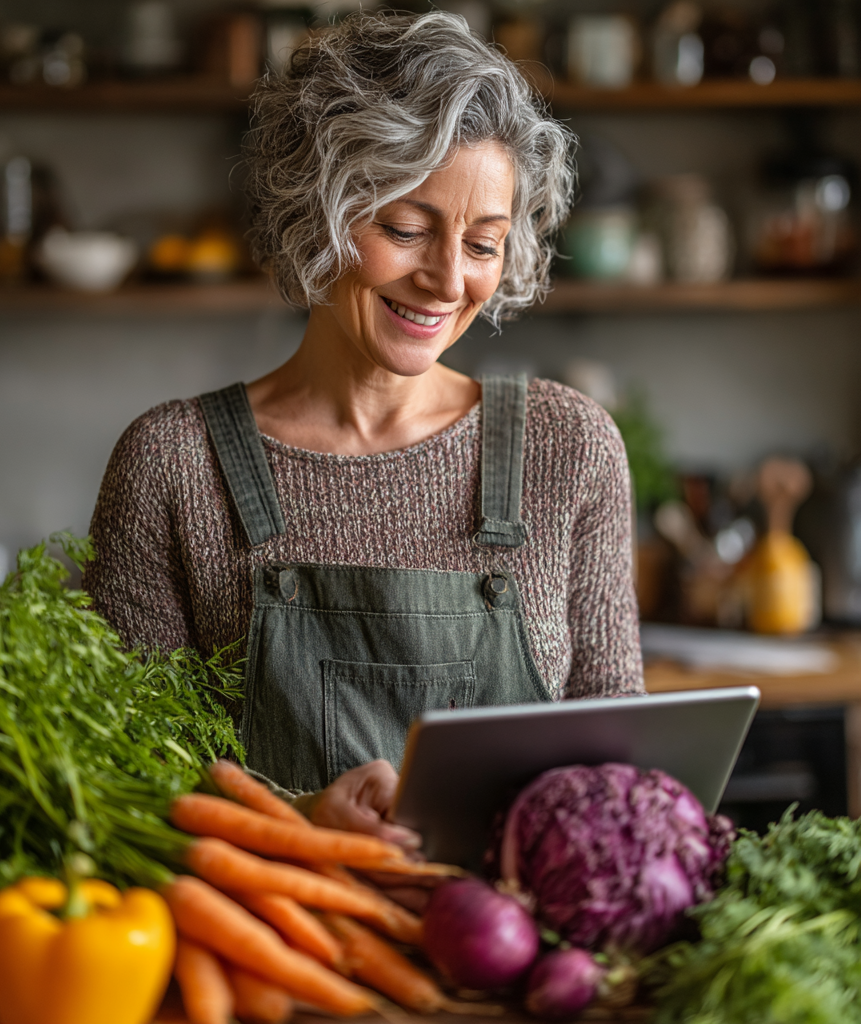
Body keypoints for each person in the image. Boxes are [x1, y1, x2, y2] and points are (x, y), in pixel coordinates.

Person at [85, 11, 644, 851]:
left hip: (511, 957)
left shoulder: (569, 449)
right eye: (406, 230)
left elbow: (621, 775)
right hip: (283, 949)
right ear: (317, 208)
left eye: (485, 243)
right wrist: (305, 825)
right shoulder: (174, 462)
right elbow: (119, 786)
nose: (447, 280)